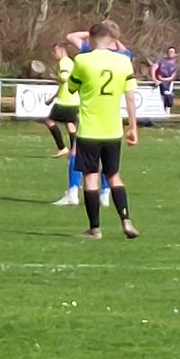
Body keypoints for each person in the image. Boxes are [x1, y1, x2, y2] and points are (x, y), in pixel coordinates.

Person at [67, 19, 138, 239]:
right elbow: (130, 98)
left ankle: (95, 228)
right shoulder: (124, 62)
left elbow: (71, 88)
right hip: (113, 129)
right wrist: (133, 127)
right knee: (114, 175)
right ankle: (126, 220)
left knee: (90, 177)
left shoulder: (82, 60)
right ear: (113, 39)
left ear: (91, 38)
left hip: (89, 129)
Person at [43, 41, 78, 157]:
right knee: (70, 124)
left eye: (55, 51)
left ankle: (62, 147)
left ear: (62, 50)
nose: (53, 54)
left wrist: (54, 77)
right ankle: (74, 151)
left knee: (49, 121)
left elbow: (64, 78)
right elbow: (64, 84)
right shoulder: (71, 62)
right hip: (74, 99)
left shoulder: (64, 62)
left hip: (65, 100)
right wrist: (52, 97)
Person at [151, 46, 179, 112]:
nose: (170, 53)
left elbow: (172, 77)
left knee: (167, 100)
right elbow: (153, 68)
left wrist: (163, 79)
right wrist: (154, 79)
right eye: (169, 51)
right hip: (158, 83)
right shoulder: (161, 60)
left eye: (172, 52)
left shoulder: (176, 65)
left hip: (167, 85)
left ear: (175, 54)